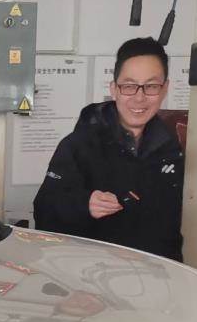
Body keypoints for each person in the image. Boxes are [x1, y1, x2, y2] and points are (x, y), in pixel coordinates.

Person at [32, 37, 184, 261]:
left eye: (151, 86)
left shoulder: (174, 148)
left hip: (158, 274)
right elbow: (44, 210)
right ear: (114, 89)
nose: (139, 97)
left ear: (165, 89)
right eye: (129, 86)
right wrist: (84, 205)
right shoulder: (79, 145)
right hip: (93, 274)